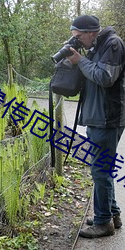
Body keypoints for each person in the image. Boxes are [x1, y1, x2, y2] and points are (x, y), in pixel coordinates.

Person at [67, 15, 125, 238]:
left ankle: (103, 223)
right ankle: (112, 214)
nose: (78, 41)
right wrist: (77, 60)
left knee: (100, 170)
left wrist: (80, 61)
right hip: (97, 117)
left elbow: (104, 77)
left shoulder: (113, 44)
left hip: (107, 118)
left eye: (79, 37)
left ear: (91, 32)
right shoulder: (97, 46)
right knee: (103, 168)